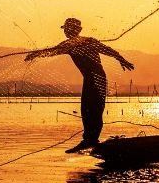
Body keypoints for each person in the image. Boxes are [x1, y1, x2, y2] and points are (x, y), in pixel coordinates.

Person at [25, 17, 135, 152]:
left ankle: (91, 140)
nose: (65, 31)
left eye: (67, 29)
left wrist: (121, 60)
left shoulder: (86, 42)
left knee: (93, 108)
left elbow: (107, 50)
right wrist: (35, 54)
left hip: (96, 77)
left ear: (75, 30)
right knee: (87, 108)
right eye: (65, 29)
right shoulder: (68, 45)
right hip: (91, 78)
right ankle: (90, 139)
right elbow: (51, 51)